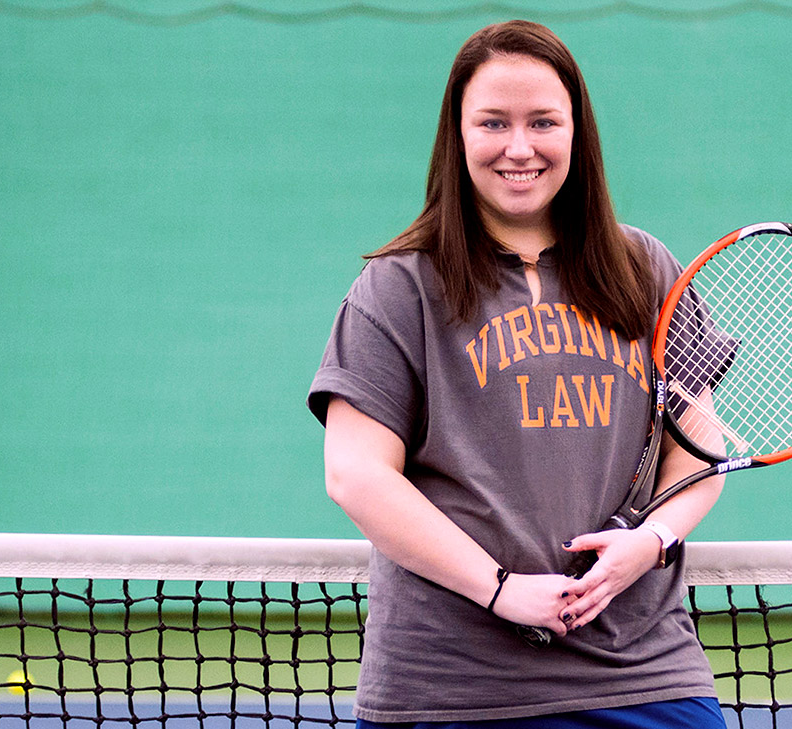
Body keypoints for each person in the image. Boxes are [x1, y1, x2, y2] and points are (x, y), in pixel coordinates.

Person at [307, 19, 726, 728]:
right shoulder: (398, 287)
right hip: (449, 689)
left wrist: (647, 542)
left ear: (576, 133)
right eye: (493, 122)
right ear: (458, 134)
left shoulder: (645, 269)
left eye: (543, 122)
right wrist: (498, 589)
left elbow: (700, 452)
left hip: (645, 677)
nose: (519, 147)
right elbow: (356, 473)